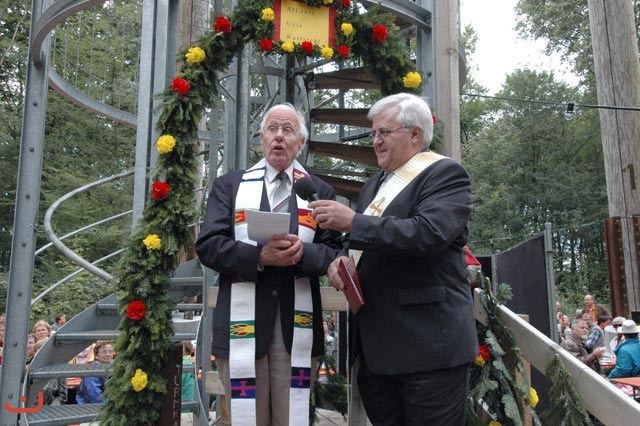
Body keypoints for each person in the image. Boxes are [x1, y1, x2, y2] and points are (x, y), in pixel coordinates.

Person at [310, 93, 477, 425]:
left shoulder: (445, 175)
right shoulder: (373, 187)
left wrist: (353, 222)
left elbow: (428, 234)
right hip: (378, 354)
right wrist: (339, 261)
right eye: (373, 133)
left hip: (429, 351)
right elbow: (359, 242)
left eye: (384, 132)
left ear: (415, 134)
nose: (376, 141)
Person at [195, 103, 342, 426]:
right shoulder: (230, 187)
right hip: (242, 329)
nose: (279, 137)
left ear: (300, 142)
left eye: (287, 130)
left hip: (297, 330)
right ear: (261, 139)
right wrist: (259, 257)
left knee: (292, 419)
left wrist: (303, 254)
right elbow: (208, 246)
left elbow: (334, 251)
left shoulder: (319, 192)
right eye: (272, 130)